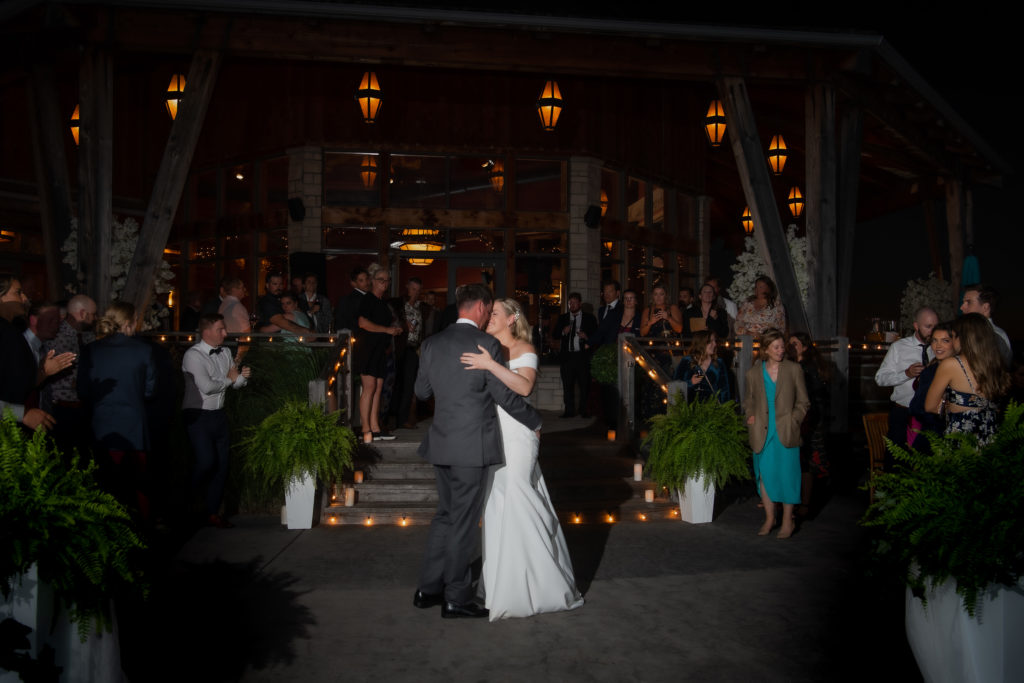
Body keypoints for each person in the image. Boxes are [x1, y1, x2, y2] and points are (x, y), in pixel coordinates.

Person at [412, 284, 543, 619]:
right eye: (490, 309)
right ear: (482, 307)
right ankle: (456, 597)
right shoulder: (486, 344)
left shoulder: (431, 343)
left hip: (441, 442)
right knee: (463, 523)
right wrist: (533, 419)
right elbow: (503, 395)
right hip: (471, 446)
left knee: (444, 515)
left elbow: (421, 391)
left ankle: (428, 589)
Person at [460, 297, 583, 620]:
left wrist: (490, 365)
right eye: (489, 314)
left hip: (517, 435)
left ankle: (543, 584)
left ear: (512, 318)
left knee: (518, 497)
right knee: (497, 506)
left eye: (496, 313)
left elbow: (525, 388)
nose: (489, 318)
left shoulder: (524, 349)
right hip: (489, 434)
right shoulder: (484, 346)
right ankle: (504, 584)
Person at [77, 301, 157, 518]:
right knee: (140, 484)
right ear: (131, 322)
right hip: (133, 425)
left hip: (102, 424)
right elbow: (150, 390)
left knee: (105, 483)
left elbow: (82, 390)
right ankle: (143, 530)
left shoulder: (91, 350)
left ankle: (107, 528)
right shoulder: (143, 350)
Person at [182, 313, 251, 528]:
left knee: (221, 466)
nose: (226, 333)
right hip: (198, 415)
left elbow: (235, 383)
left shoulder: (225, 352)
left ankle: (212, 512)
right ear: (207, 331)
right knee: (206, 462)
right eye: (221, 329)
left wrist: (242, 378)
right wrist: (231, 379)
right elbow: (207, 387)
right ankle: (187, 503)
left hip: (219, 414)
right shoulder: (193, 355)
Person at [744, 327, 809, 539]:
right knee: (765, 475)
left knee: (788, 475)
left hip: (786, 430)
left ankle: (788, 520)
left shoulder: (793, 369)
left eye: (783, 346)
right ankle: (770, 518)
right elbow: (749, 400)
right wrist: (750, 415)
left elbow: (803, 401)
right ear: (765, 349)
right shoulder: (753, 373)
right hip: (762, 431)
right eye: (777, 347)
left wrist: (794, 419)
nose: (781, 350)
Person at [924, 313, 1010, 446]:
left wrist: (945, 405)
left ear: (962, 338)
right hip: (990, 436)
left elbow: (930, 406)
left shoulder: (951, 364)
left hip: (962, 437)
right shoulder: (996, 363)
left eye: (952, 337)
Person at [0, 276, 73, 430]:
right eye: (18, 292)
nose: (24, 297)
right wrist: (23, 414)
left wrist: (44, 372)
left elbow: (17, 386)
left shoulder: (10, 331)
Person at [875, 306, 937, 458]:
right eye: (928, 326)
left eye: (935, 326)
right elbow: (880, 378)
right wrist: (906, 374)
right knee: (897, 461)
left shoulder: (938, 347)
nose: (932, 331)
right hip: (903, 414)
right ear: (916, 326)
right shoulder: (899, 347)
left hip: (929, 416)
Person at [354, 263, 402, 442]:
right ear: (373, 281)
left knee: (379, 388)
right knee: (369, 387)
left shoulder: (383, 302)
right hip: (367, 348)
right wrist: (387, 330)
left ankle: (375, 427)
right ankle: (365, 428)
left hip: (380, 349)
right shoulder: (368, 299)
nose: (384, 283)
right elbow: (362, 323)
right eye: (380, 280)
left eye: (387, 280)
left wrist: (393, 330)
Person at [787, 332, 830, 517]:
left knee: (807, 463)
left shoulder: (808, 368)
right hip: (802, 420)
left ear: (804, 347)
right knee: (799, 462)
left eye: (794, 344)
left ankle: (805, 504)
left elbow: (810, 399)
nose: (790, 347)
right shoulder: (794, 366)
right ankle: (798, 502)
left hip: (809, 421)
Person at [908, 320, 956, 453]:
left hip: (951, 436)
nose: (938, 346)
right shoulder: (930, 370)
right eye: (934, 340)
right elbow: (916, 407)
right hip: (929, 434)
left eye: (945, 340)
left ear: (956, 343)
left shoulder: (960, 370)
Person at [555, 292, 597, 418]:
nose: (572, 305)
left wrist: (586, 336)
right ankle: (569, 411)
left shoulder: (589, 318)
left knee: (584, 385)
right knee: (567, 385)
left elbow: (596, 336)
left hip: (582, 357)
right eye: (570, 303)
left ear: (580, 303)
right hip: (567, 357)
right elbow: (555, 334)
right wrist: (563, 331)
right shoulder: (563, 318)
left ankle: (584, 410)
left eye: (574, 302)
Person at [960, 283, 1012, 366]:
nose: (962, 307)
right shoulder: (968, 332)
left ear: (985, 307)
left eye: (968, 302)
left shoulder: (994, 336)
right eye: (963, 302)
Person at [396, 277, 423, 429]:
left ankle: (403, 418)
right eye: (413, 289)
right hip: (400, 346)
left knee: (409, 384)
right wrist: (402, 323)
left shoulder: (420, 307)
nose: (416, 293)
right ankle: (391, 418)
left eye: (418, 290)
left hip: (414, 348)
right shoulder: (400, 306)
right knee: (397, 383)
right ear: (407, 288)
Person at [674, 330, 730, 403]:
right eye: (711, 341)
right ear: (702, 343)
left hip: (713, 410)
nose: (715, 344)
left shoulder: (718, 362)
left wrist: (725, 409)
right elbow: (675, 385)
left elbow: (724, 389)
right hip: (690, 410)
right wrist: (690, 382)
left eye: (714, 341)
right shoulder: (687, 361)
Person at [334, 266, 369, 334]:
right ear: (354, 283)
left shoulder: (368, 297)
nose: (366, 283)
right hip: (356, 338)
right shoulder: (349, 299)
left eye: (366, 279)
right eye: (361, 280)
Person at [591, 280, 623, 348]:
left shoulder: (622, 309)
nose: (607, 294)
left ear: (617, 293)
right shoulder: (601, 310)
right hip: (602, 348)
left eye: (610, 291)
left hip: (616, 348)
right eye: (605, 292)